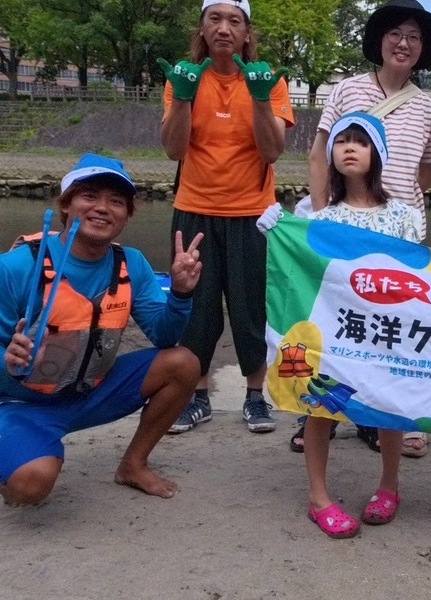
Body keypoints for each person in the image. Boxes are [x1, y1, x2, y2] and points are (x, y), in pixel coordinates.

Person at [257, 113, 431, 537]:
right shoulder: (318, 220)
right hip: (335, 335)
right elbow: (301, 275)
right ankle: (318, 496)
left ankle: (389, 486)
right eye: (342, 140)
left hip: (386, 333)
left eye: (361, 141)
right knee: (320, 408)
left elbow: (417, 272)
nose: (350, 147)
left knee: (389, 407)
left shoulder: (403, 216)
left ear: (378, 154)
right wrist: (278, 234)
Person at [0, 154, 203, 506]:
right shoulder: (16, 266)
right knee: (30, 487)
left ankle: (133, 465)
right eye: (89, 196)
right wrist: (9, 360)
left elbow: (164, 337)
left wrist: (182, 295)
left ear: (127, 215)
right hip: (23, 402)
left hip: (92, 392)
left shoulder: (132, 263)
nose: (102, 208)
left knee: (183, 363)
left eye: (116, 201)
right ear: (66, 205)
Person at [302, 0, 431, 457]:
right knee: (335, 321)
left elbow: (427, 170)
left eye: (414, 36)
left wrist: (399, 202)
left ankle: (383, 414)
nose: (404, 43)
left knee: (393, 327)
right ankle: (319, 411)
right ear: (379, 39)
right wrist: (322, 217)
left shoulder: (429, 106)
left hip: (399, 231)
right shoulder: (346, 90)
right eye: (395, 33)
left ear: (423, 48)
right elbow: (319, 153)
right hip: (343, 222)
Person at [157, 0, 295, 434]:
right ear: (201, 28)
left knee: (251, 307)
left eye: (234, 21)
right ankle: (197, 396)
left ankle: (255, 396)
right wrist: (182, 96)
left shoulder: (270, 80)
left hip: (252, 213)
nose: (224, 28)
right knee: (197, 307)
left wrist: (259, 98)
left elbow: (272, 151)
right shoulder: (183, 76)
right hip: (194, 209)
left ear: (247, 33)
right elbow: (174, 149)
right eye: (214, 19)